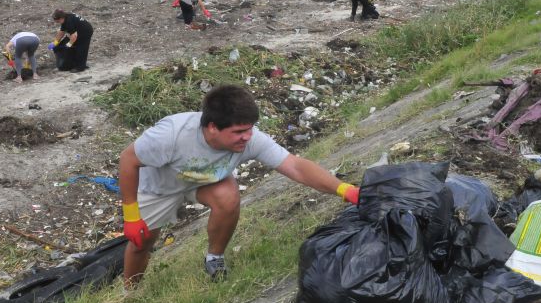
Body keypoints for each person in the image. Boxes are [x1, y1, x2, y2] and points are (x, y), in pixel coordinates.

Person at [117, 85, 360, 283]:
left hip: (203, 183)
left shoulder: (250, 139)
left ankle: (214, 258)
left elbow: (295, 166)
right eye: (238, 131)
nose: (247, 137)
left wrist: (345, 190)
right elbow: (128, 161)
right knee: (142, 243)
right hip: (159, 188)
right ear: (212, 127)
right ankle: (131, 291)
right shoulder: (171, 135)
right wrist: (130, 216)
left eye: (250, 129)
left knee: (228, 196)